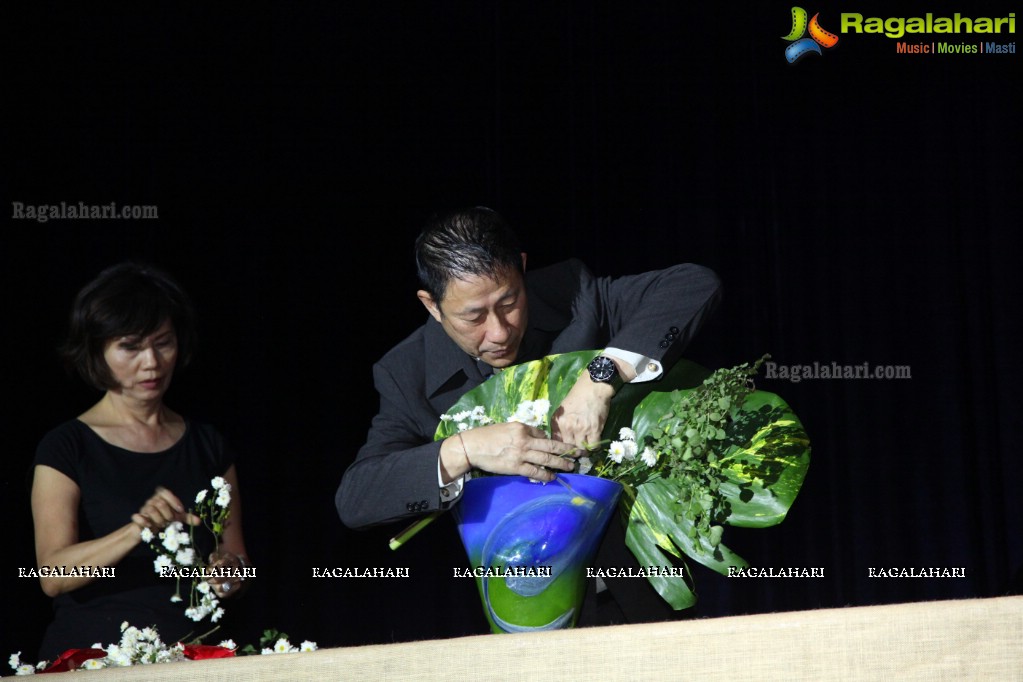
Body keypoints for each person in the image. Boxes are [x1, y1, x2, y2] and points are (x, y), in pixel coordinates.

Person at [335, 206, 721, 623]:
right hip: (518, 608)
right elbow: (357, 499)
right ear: (431, 306)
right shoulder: (406, 372)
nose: (499, 331)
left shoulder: (571, 294)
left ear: (521, 268)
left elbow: (694, 283)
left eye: (509, 301)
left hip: (638, 589)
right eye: (474, 317)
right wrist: (463, 450)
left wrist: (601, 376)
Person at [31, 262, 251, 660]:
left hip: (191, 654)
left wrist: (227, 574)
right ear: (97, 351)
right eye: (130, 347)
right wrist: (138, 529)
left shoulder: (208, 445)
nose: (151, 362)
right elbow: (52, 576)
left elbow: (240, 569)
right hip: (93, 656)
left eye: (163, 342)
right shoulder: (66, 446)